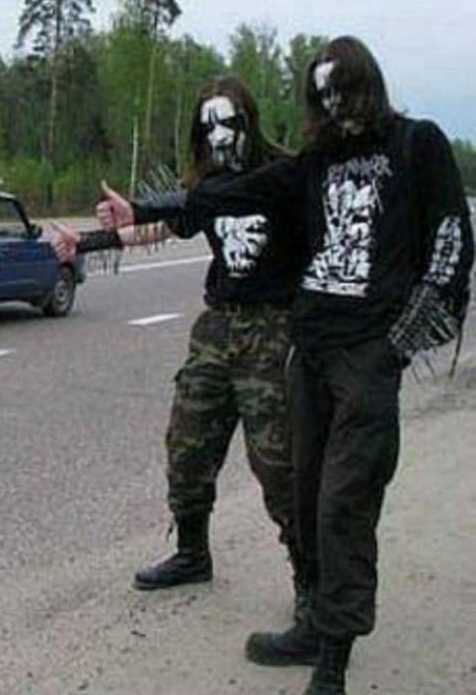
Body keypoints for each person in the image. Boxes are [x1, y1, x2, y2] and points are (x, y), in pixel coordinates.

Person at [98, 36, 473, 695]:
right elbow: (231, 194)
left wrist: (399, 345)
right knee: (303, 493)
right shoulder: (315, 162)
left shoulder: (416, 144)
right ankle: (307, 623)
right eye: (322, 95)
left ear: (368, 85)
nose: (334, 105)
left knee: (341, 505)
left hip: (362, 353)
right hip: (311, 350)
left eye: (343, 90)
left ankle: (331, 668)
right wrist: (137, 212)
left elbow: (450, 246)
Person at [53, 76, 310, 612]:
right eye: (207, 126)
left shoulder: (284, 173)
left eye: (228, 122)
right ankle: (192, 553)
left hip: (274, 328)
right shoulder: (207, 185)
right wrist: (88, 241)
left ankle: (312, 582)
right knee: (187, 445)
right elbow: (166, 227)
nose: (219, 135)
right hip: (218, 328)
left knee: (278, 462)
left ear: (248, 120)